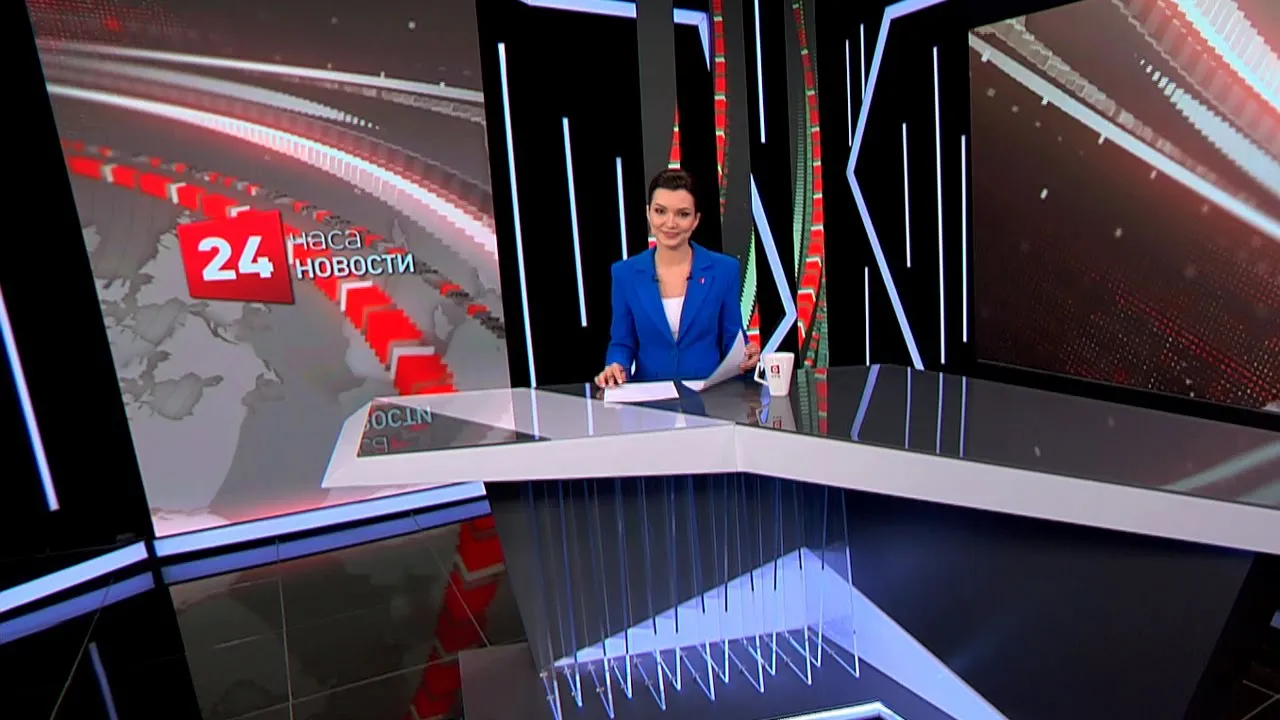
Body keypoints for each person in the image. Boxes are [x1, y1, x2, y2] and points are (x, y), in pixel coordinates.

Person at [595, 168, 760, 387]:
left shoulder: (724, 270)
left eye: (682, 214)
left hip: (710, 395)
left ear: (696, 220)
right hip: (650, 399)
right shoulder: (624, 274)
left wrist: (747, 354)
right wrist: (615, 366)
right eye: (660, 211)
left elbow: (733, 339)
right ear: (648, 213)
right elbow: (622, 343)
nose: (670, 223)